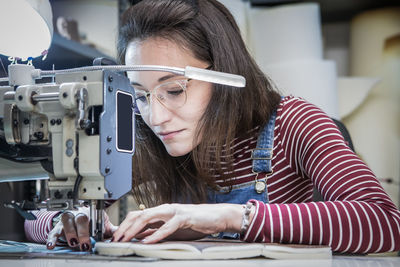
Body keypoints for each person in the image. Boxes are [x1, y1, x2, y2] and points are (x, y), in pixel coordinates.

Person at [25, 0, 400, 254]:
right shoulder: (144, 139)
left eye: (173, 90)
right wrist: (66, 223)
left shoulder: (295, 123)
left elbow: (384, 222)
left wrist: (228, 217)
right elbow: (34, 220)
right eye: (140, 95)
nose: (156, 118)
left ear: (224, 74)